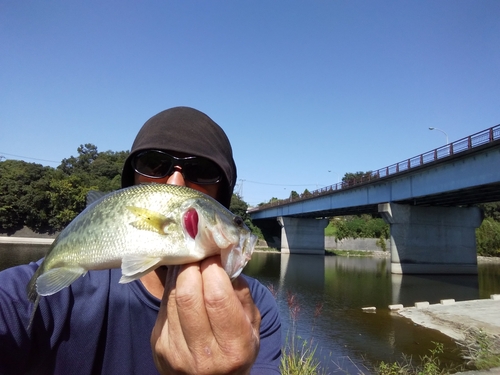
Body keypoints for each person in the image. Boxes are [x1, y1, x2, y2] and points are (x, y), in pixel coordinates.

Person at [0, 107, 282, 374]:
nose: (175, 183)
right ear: (131, 181)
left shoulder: (256, 310)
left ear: (221, 198)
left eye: (203, 171)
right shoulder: (58, 297)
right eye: (153, 164)